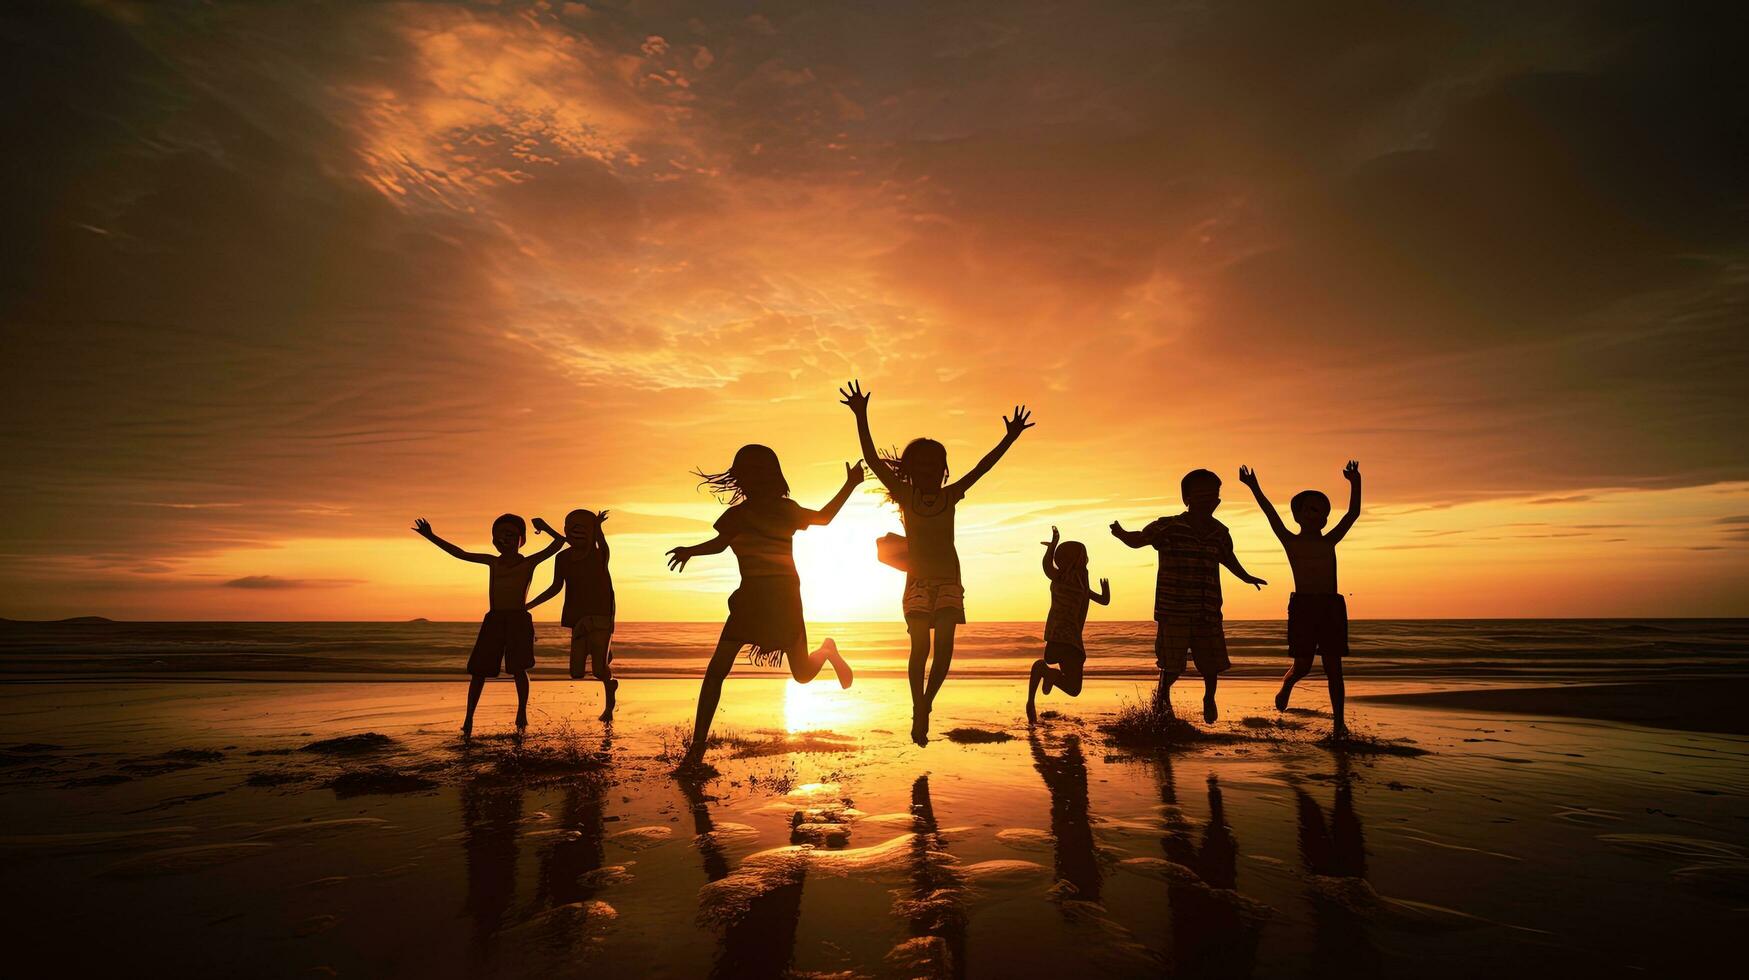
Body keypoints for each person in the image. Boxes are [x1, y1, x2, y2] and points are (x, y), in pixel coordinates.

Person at [839, 379, 1034, 745]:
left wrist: (1010, 438)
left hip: (948, 581)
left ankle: (926, 703)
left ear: (943, 469)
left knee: (944, 645)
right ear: (911, 470)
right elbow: (873, 459)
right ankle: (918, 706)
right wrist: (861, 416)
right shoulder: (905, 495)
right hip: (916, 583)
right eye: (922, 465)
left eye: (935, 464)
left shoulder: (950, 495)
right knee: (920, 648)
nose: (929, 470)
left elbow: (983, 467)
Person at [666, 445, 862, 770]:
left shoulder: (787, 510)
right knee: (716, 671)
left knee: (801, 674)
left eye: (760, 471)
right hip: (750, 598)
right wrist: (691, 550)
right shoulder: (737, 515)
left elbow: (824, 518)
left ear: (772, 475)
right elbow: (719, 544)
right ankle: (696, 750)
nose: (753, 478)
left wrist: (851, 484)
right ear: (741, 477)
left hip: (784, 598)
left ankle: (827, 650)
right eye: (747, 472)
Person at [1110, 469, 1266, 724]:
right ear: (1187, 498)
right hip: (1174, 609)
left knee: (1212, 663)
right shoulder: (1168, 526)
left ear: (1218, 501)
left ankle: (1209, 697)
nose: (1208, 499)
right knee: (1171, 663)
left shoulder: (1220, 532)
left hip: (1208, 608)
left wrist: (1247, 577)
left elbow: (1229, 559)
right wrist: (1122, 534)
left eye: (1213, 494)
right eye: (1201, 494)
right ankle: (1162, 696)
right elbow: (1139, 539)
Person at [1238, 460, 1361, 738]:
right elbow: (1269, 513)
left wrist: (1355, 482)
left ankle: (1339, 723)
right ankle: (1287, 685)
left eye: (1323, 512)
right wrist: (1254, 486)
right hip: (1303, 606)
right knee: (1303, 665)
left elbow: (1353, 513)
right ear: (1298, 515)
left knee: (1333, 668)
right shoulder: (1290, 540)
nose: (1317, 515)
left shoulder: (1329, 540)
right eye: (1311, 509)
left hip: (1331, 606)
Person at [412, 513, 565, 736]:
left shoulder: (528, 562)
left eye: (510, 535)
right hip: (494, 619)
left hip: (518, 619)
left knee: (518, 668)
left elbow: (559, 543)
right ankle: (468, 718)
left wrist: (545, 527)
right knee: (479, 671)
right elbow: (460, 553)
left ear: (521, 539)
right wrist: (431, 536)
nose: (504, 540)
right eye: (498, 536)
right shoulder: (492, 561)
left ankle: (521, 713)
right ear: (493, 540)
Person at [526, 508, 619, 721]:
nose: (577, 532)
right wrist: (530, 604)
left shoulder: (599, 554)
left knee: (598, 670)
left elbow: (600, 542)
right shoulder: (563, 558)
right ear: (567, 529)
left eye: (584, 528)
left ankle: (608, 695)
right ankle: (605, 654)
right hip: (578, 619)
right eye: (573, 527)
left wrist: (599, 527)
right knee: (576, 672)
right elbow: (555, 587)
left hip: (600, 616)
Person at [1027, 525, 1110, 721]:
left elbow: (1100, 600)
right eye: (1082, 555)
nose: (1085, 559)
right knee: (1073, 689)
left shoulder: (1079, 580)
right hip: (1068, 638)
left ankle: (1047, 676)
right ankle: (1044, 675)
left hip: (1064, 636)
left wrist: (1105, 595)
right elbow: (1048, 567)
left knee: (1073, 687)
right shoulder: (1061, 577)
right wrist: (1052, 546)